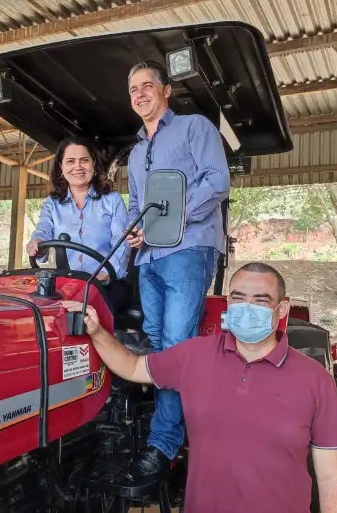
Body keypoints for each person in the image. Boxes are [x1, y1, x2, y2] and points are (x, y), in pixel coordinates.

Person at [61, 262, 337, 513]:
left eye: (260, 300)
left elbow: (331, 479)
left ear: (282, 308)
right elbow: (133, 367)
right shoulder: (195, 355)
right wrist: (97, 332)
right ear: (228, 303)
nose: (247, 308)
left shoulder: (315, 379)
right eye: (239, 298)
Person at [123, 60, 231, 478]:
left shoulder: (194, 127)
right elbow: (136, 204)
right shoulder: (135, 153)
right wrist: (136, 231)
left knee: (175, 342)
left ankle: (163, 444)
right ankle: (158, 426)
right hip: (149, 257)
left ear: (166, 90)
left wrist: (171, 219)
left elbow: (217, 180)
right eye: (133, 89)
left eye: (147, 85)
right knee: (155, 342)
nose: (140, 94)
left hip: (189, 248)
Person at [27, 136, 131, 311]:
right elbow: (43, 230)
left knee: (86, 310)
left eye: (84, 160)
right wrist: (37, 242)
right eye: (70, 161)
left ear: (93, 163)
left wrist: (104, 275)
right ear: (61, 167)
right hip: (66, 285)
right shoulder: (52, 204)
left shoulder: (113, 201)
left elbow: (121, 244)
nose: (78, 167)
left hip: (105, 285)